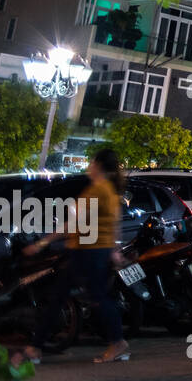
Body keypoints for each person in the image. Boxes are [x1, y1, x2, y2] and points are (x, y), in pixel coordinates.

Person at [24, 149, 129, 364]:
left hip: (88, 252)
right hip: (90, 251)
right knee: (64, 297)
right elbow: (113, 225)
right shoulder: (108, 190)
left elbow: (73, 224)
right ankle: (35, 347)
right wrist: (114, 250)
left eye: (91, 162)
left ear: (98, 165)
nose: (88, 166)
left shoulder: (98, 190)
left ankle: (118, 343)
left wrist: (42, 243)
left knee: (90, 298)